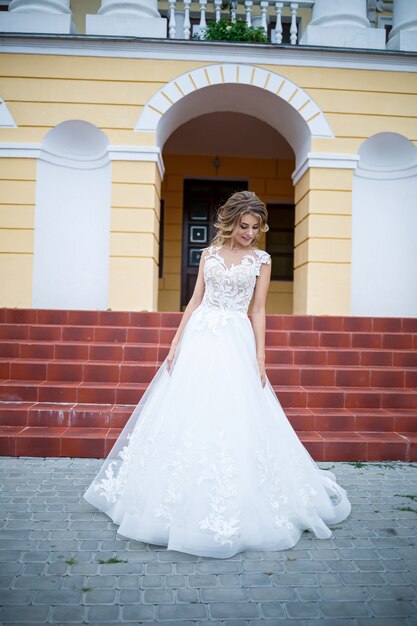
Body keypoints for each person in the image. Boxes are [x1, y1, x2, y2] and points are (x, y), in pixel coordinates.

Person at [84, 190, 351, 559]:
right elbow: (195, 300)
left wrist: (260, 355)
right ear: (230, 222)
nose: (249, 233)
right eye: (244, 226)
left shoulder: (262, 260)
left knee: (232, 413)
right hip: (199, 337)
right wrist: (176, 341)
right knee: (188, 411)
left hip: (234, 340)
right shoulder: (208, 254)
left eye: (256, 227)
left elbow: (258, 309)